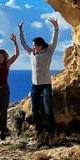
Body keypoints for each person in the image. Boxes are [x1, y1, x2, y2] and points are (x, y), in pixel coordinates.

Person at [18, 17, 60, 145]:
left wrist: (56, 28)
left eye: (35, 45)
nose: (33, 47)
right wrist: (20, 31)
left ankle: (52, 134)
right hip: (35, 86)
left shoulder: (48, 52)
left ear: (41, 45)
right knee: (35, 110)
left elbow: (54, 41)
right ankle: (39, 133)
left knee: (47, 110)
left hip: (46, 85)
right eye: (33, 45)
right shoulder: (32, 54)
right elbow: (24, 44)